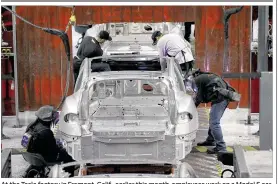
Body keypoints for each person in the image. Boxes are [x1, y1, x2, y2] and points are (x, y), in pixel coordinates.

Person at [191, 69, 241, 154]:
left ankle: (221, 148)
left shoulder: (197, 80)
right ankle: (211, 140)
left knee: (214, 122)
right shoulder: (207, 75)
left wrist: (191, 108)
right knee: (213, 120)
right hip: (223, 96)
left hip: (220, 98)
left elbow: (199, 97)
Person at [21, 105, 75, 177]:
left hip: (31, 154)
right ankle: (69, 176)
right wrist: (61, 147)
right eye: (53, 115)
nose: (54, 117)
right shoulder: (46, 131)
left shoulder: (32, 125)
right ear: (48, 118)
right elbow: (54, 152)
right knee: (70, 155)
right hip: (45, 157)